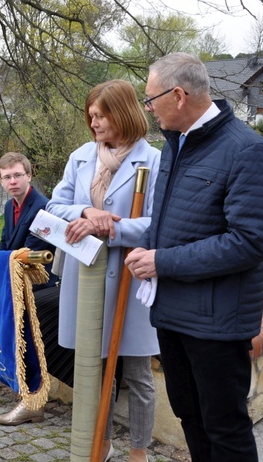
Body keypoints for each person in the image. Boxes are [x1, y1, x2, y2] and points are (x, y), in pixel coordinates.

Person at [125, 52, 263, 462]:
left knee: (225, 427)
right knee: (190, 417)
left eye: (150, 98)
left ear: (178, 95)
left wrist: (161, 261)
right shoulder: (175, 146)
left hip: (216, 322)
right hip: (173, 313)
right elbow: (174, 223)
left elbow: (249, 242)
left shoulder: (248, 151)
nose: (147, 107)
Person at [47, 79, 160, 462]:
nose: (94, 124)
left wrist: (112, 228)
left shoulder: (154, 160)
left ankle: (139, 451)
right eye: (91, 116)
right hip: (87, 277)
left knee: (138, 374)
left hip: (130, 273)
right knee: (94, 371)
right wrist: (85, 212)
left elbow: (158, 222)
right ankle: (102, 441)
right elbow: (53, 207)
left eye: (101, 116)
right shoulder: (81, 156)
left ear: (123, 112)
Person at [0, 152, 73, 426]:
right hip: (18, 282)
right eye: (6, 177)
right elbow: (5, 245)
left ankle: (33, 402)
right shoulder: (10, 207)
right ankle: (26, 394)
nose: (12, 181)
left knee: (25, 330)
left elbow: (28, 254)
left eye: (17, 175)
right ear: (1, 181)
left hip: (40, 286)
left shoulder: (43, 208)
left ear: (29, 176)